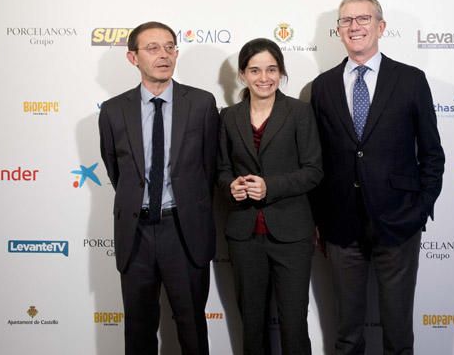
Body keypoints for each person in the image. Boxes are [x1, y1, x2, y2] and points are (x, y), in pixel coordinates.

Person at [311, 0, 445, 355]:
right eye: (346, 21)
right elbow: (316, 160)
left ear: (381, 27)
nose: (354, 27)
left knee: (398, 332)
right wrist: (319, 219)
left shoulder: (411, 80)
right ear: (337, 31)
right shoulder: (321, 87)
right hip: (341, 226)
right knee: (347, 333)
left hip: (399, 222)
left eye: (363, 19)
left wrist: (419, 211)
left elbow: (432, 154)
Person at [98, 21, 218, 355]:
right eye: (152, 48)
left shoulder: (201, 103)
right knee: (138, 329)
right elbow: (117, 169)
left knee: (192, 325)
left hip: (184, 229)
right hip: (135, 233)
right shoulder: (112, 111)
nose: (163, 55)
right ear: (132, 58)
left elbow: (209, 168)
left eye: (169, 47)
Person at [217, 38, 323, 355]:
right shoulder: (228, 116)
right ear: (242, 75)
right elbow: (221, 169)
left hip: (292, 234)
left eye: (272, 69)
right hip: (244, 234)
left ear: (281, 72)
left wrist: (270, 186)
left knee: (293, 323)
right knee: (251, 323)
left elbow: (313, 170)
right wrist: (230, 187)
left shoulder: (300, 112)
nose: (264, 78)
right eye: (255, 70)